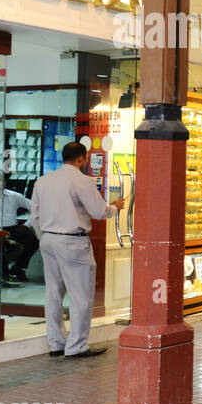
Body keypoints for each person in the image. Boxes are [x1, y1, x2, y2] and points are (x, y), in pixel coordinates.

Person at [28, 142, 125, 358]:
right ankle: (77, 346)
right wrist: (115, 208)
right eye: (86, 157)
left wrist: (44, 236)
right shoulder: (82, 181)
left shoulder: (43, 181)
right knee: (81, 295)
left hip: (48, 240)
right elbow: (99, 211)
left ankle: (56, 344)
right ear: (81, 158)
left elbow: (34, 215)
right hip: (73, 242)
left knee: (53, 293)